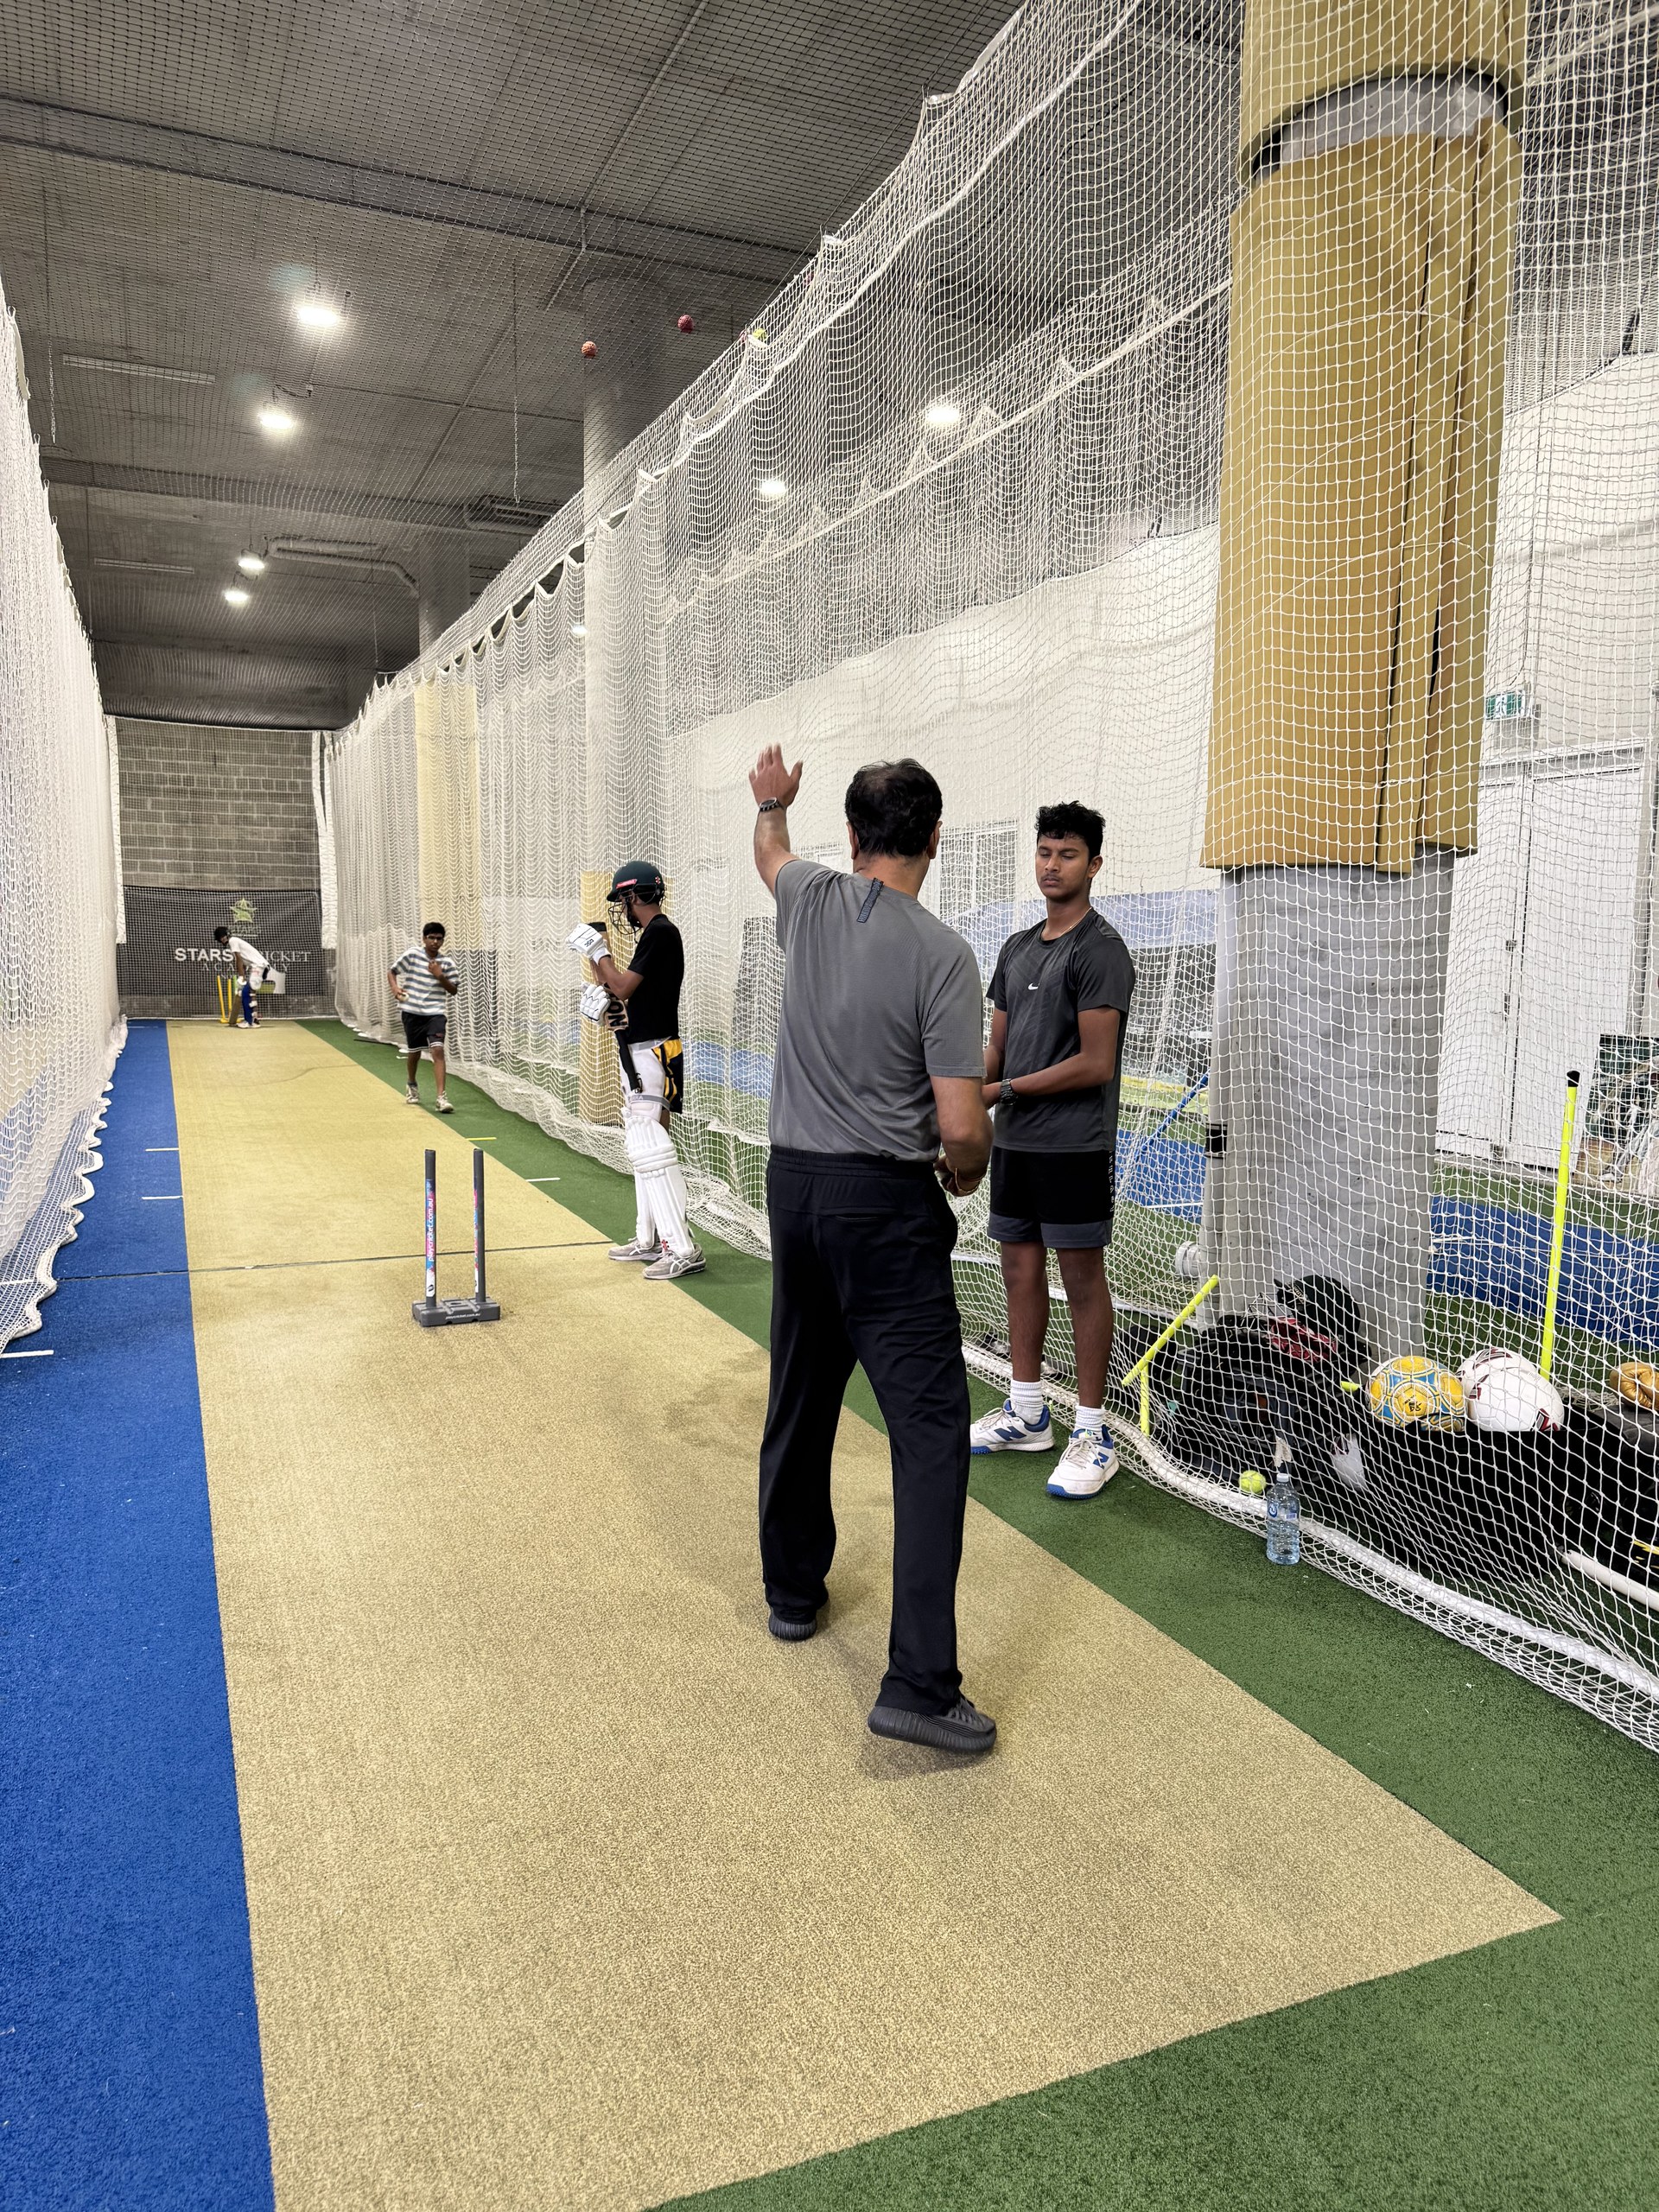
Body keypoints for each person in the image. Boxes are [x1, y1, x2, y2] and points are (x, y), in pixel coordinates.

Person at [750, 744, 996, 1757]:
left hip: (794, 1187)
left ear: (850, 838)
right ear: (933, 838)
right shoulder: (944, 954)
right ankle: (920, 1685)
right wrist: (969, 1164)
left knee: (802, 1393)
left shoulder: (805, 894)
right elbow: (962, 1127)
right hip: (885, 1203)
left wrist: (771, 802)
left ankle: (793, 1594)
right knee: (932, 1431)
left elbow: (769, 848)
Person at [971, 803, 1135, 1499]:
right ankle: (1029, 1410)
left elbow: (1096, 1063)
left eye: (1067, 854)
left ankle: (1093, 1431)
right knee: (1017, 1269)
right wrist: (961, 1094)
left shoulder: (1101, 950)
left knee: (1081, 1279)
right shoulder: (1014, 948)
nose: (1051, 865)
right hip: (1015, 1144)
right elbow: (996, 1049)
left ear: (1093, 865)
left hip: (1074, 1145)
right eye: (1043, 852)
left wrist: (1000, 1089)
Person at [567, 862, 704, 1282]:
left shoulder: (662, 932)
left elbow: (623, 986)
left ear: (633, 895)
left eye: (623, 899)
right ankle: (649, 1239)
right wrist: (599, 961)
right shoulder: (653, 936)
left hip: (655, 1054)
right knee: (643, 1147)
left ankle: (681, 1248)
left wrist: (599, 952)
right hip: (641, 1051)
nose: (621, 908)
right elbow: (616, 991)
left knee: (651, 1146)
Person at [388, 922, 460, 1111]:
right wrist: (395, 989)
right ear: (424, 939)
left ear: (443, 941)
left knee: (438, 1051)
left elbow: (453, 990)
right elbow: (392, 971)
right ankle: (411, 1084)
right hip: (411, 1012)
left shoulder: (448, 963)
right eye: (432, 938)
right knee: (415, 1052)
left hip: (435, 1013)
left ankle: (441, 1098)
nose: (435, 942)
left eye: (439, 938)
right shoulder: (412, 955)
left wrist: (440, 976)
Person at [212, 924, 270, 1027]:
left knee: (245, 992)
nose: (221, 942)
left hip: (259, 967)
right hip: (261, 967)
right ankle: (254, 1020)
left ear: (222, 938)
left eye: (220, 939)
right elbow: (241, 962)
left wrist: (241, 977)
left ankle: (249, 1021)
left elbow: (239, 959)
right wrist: (241, 974)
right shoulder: (235, 941)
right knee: (251, 993)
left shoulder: (233, 941)